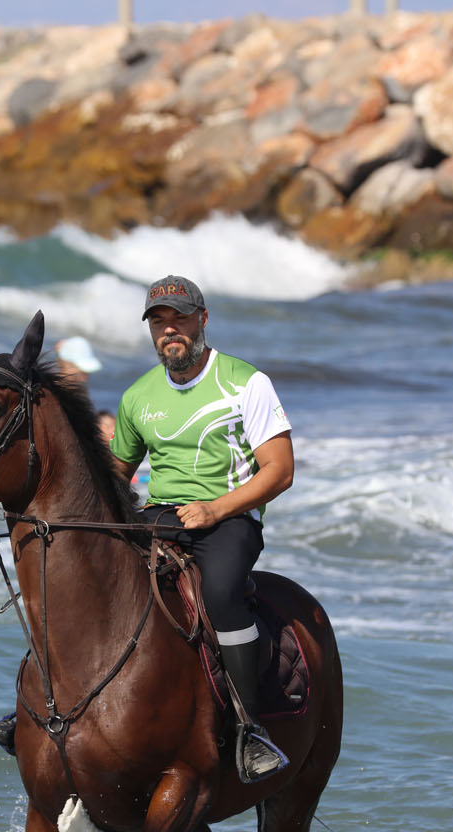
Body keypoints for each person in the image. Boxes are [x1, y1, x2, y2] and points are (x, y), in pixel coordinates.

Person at [108, 275, 295, 782]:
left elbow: (279, 470)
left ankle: (249, 729)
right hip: (160, 517)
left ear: (203, 319)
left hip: (230, 518)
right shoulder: (137, 397)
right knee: (88, 575)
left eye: (180, 318)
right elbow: (112, 479)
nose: (170, 330)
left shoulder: (245, 382)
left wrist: (216, 509)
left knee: (219, 592)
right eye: (159, 321)